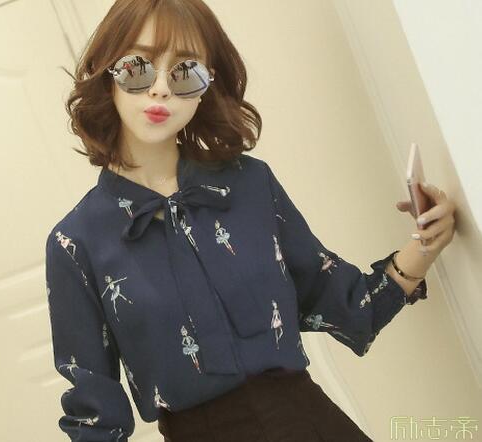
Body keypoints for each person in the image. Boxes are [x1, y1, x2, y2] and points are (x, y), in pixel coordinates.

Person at [46, 0, 457, 441]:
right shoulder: (76, 243)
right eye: (138, 67)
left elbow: (346, 305)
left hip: (312, 426)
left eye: (185, 71)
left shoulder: (249, 184)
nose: (161, 89)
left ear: (207, 84)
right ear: (107, 72)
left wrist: (426, 244)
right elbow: (95, 419)